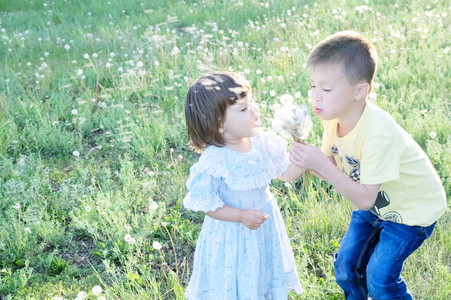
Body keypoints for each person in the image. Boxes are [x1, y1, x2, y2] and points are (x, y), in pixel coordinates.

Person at [290, 30, 447, 299]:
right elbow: (329, 168)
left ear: (360, 91)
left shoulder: (378, 133)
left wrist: (322, 166)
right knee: (346, 266)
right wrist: (306, 158)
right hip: (376, 202)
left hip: (411, 212)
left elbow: (362, 198)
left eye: (326, 89)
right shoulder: (333, 118)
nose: (315, 95)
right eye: (313, 85)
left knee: (380, 278)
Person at [183, 71, 304, 299]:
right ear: (218, 125)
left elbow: (286, 173)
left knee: (262, 272)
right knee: (235, 279)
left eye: (252, 102)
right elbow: (205, 203)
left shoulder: (262, 143)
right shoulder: (215, 159)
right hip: (232, 234)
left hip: (263, 228)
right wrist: (240, 216)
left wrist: (302, 158)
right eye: (243, 108)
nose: (255, 110)